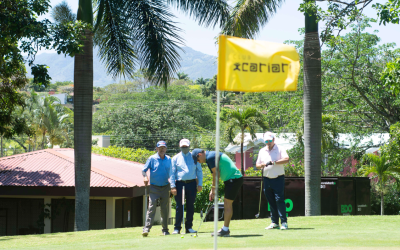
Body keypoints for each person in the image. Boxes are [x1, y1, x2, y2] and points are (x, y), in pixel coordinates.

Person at [192, 148, 243, 237]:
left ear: (199, 155)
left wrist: (213, 189)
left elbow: (216, 174)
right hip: (231, 179)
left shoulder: (210, 157)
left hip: (234, 179)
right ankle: (225, 229)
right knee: (227, 203)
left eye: (197, 160)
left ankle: (225, 230)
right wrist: (214, 190)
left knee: (227, 204)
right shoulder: (210, 157)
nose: (199, 162)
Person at [256, 131, 290, 230]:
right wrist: (262, 165)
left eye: (270, 141)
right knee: (271, 201)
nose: (268, 143)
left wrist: (274, 162)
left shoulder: (280, 148)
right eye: (266, 141)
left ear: (274, 140)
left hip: (278, 178)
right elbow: (257, 165)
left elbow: (286, 159)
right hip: (267, 178)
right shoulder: (262, 151)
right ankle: (274, 222)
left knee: (279, 200)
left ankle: (284, 222)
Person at [170, 139, 203, 234]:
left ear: (189, 146)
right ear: (180, 147)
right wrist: (173, 186)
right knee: (179, 206)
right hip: (179, 184)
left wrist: (200, 183)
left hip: (192, 183)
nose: (184, 148)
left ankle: (189, 227)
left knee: (190, 206)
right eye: (183, 147)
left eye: (186, 146)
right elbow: (172, 173)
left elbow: (199, 171)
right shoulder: (175, 158)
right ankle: (177, 228)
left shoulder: (194, 157)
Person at [142, 141, 172, 236]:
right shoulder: (152, 158)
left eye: (164, 148)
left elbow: (172, 172)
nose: (162, 149)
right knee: (152, 207)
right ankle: (146, 229)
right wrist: (145, 177)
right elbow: (144, 170)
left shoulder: (169, 159)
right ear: (157, 149)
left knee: (165, 209)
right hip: (154, 187)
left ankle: (165, 230)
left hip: (165, 186)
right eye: (160, 148)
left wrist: (172, 182)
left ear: (166, 149)